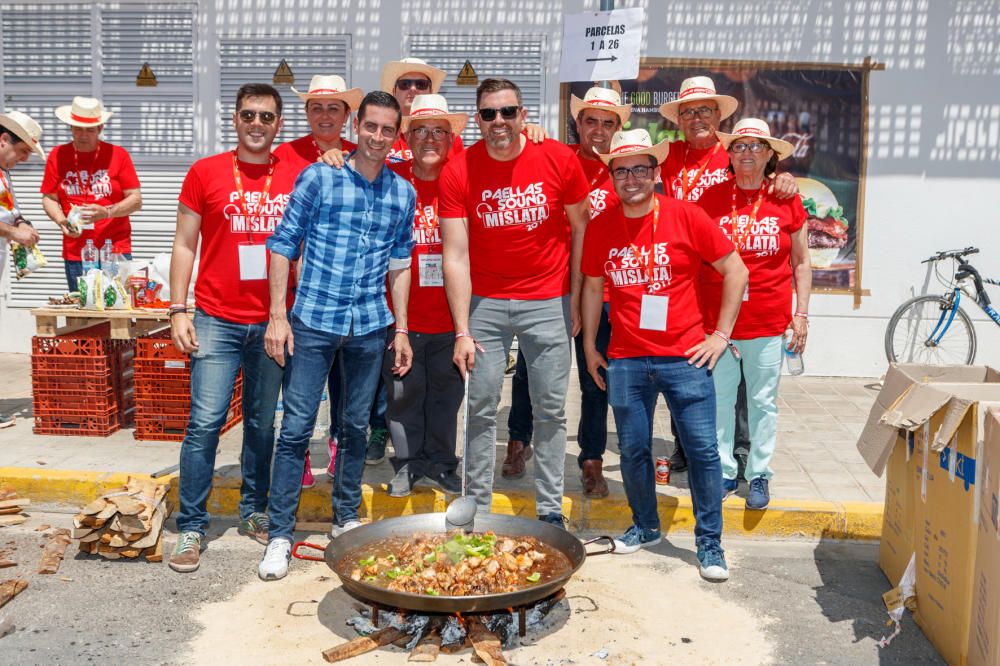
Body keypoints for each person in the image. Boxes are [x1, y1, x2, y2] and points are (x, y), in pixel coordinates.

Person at [259, 91, 415, 581]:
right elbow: (283, 244)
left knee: (351, 430)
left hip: (369, 327)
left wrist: (402, 328)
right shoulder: (319, 177)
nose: (377, 137)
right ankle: (281, 534)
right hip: (313, 322)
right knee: (296, 430)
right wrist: (277, 316)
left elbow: (400, 264)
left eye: (388, 129)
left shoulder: (401, 193)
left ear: (396, 134)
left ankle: (344, 517)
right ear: (358, 127)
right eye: (370, 126)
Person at [581, 129, 747, 581]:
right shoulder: (601, 226)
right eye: (622, 170)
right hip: (627, 358)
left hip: (686, 358)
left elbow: (736, 269)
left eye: (640, 169)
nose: (631, 178)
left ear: (655, 173)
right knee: (633, 450)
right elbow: (594, 285)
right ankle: (646, 526)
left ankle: (709, 544)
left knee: (703, 452)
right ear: (612, 177)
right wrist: (591, 345)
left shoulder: (686, 216)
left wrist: (720, 334)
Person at [440, 78, 590, 527]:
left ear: (524, 115)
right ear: (479, 119)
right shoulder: (459, 169)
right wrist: (462, 329)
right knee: (481, 407)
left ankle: (549, 509)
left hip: (548, 300)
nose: (499, 122)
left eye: (508, 112)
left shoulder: (560, 158)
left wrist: (576, 298)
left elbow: (582, 230)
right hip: (485, 302)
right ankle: (479, 508)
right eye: (488, 114)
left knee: (550, 409)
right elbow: (455, 253)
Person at [166, 83, 297, 573]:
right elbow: (184, 244)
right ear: (235, 120)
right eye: (249, 115)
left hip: (272, 322)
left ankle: (253, 511)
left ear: (279, 124)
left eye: (267, 117)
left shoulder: (296, 174)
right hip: (217, 319)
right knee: (204, 424)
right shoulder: (206, 172)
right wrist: (178, 308)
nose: (257, 124)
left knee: (263, 425)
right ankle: (193, 526)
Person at [658, 76, 797, 474]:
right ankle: (686, 444)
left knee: (740, 379)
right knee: (687, 365)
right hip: (682, 278)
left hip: (727, 277)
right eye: (688, 111)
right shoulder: (668, 155)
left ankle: (741, 452)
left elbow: (767, 180)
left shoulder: (735, 152)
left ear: (719, 115)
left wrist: (784, 176)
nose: (697, 117)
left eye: (705, 110)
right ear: (678, 119)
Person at [502, 84, 630, 497]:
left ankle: (591, 460)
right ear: (577, 123)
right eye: (590, 120)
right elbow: (512, 147)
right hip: (553, 288)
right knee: (528, 372)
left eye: (607, 123)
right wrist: (529, 130)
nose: (598, 130)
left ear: (618, 127)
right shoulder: (555, 156)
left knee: (596, 378)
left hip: (607, 293)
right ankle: (519, 441)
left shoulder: (628, 169)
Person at [696, 118, 812, 510]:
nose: (746, 152)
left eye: (755, 146)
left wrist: (802, 315)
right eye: (739, 146)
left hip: (767, 321)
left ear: (770, 156)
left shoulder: (786, 199)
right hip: (719, 325)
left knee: (763, 402)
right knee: (720, 400)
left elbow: (801, 263)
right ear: (728, 155)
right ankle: (725, 471)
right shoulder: (709, 199)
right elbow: (695, 263)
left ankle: (759, 473)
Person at [274, 73, 362, 489]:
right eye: (316, 108)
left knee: (344, 385)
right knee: (299, 390)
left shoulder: (363, 155)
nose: (325, 116)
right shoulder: (284, 156)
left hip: (347, 298)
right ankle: (301, 455)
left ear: (347, 115)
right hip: (296, 296)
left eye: (333, 108)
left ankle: (337, 446)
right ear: (305, 113)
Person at [381, 94, 468, 497]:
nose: (430, 139)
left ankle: (442, 463)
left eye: (439, 131)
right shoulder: (389, 179)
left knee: (447, 398)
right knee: (403, 395)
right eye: (420, 131)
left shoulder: (464, 179)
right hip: (402, 316)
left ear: (451, 138)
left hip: (451, 316)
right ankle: (407, 464)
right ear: (407, 137)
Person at [41, 96, 142, 291]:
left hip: (115, 249)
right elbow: (49, 198)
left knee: (117, 310)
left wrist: (107, 212)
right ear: (70, 128)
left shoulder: (118, 155)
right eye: (78, 129)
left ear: (100, 129)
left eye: (89, 130)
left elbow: (136, 200)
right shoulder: (58, 155)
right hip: (77, 250)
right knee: (82, 314)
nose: (83, 135)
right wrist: (62, 221)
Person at [0, 110, 44, 429]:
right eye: (23, 151)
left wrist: (21, 221)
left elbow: (8, 209)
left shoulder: (3, 172)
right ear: (4, 140)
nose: (25, 159)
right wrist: (14, 233)